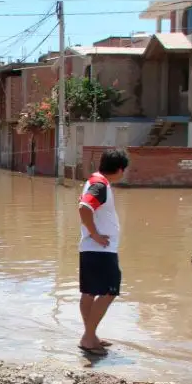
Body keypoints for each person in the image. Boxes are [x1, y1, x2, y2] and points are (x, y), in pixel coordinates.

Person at [78, 148, 129, 355]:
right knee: (110, 291)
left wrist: (93, 235)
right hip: (101, 250)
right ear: (119, 169)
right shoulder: (100, 185)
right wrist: (96, 235)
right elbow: (84, 208)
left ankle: (90, 335)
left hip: (92, 249)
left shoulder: (94, 181)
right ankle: (88, 338)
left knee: (90, 292)